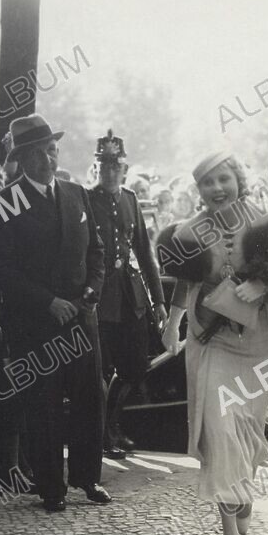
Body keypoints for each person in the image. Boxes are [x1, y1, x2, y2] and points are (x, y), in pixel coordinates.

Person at [162, 152, 268, 535]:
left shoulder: (264, 220)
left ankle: (242, 491)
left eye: (223, 179)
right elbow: (187, 279)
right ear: (199, 190)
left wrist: (260, 282)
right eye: (207, 183)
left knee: (247, 431)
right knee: (221, 431)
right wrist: (172, 323)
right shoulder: (190, 230)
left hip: (258, 341)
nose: (217, 188)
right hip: (211, 340)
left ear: (238, 179)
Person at [0, 115, 110, 513]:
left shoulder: (76, 194)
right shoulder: (6, 202)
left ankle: (88, 478)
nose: (47, 159)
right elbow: (0, 268)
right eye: (36, 152)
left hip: (81, 317)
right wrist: (46, 302)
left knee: (90, 396)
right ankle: (50, 486)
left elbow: (97, 252)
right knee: (45, 403)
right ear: (21, 158)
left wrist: (92, 291)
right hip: (36, 321)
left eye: (51, 149)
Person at [88, 131, 167, 459]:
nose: (109, 172)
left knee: (135, 366)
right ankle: (105, 433)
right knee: (102, 369)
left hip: (129, 294)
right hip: (100, 298)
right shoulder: (86, 198)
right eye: (103, 166)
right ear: (97, 168)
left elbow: (145, 252)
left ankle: (113, 423)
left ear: (124, 168)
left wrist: (159, 300)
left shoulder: (131, 199)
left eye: (115, 166)